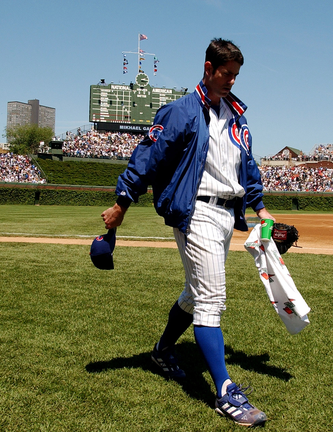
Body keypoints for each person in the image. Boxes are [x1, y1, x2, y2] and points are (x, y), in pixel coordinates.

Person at [101, 38, 274, 427]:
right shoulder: (181, 111)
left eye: (236, 75)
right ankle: (226, 391)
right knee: (212, 297)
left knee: (196, 294)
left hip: (229, 214)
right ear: (208, 68)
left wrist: (261, 208)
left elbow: (247, 166)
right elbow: (148, 156)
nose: (232, 81)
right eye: (226, 74)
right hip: (197, 212)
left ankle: (163, 350)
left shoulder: (237, 115)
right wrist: (121, 203)